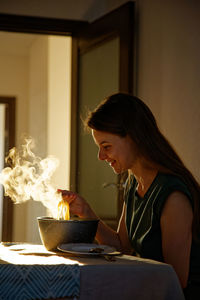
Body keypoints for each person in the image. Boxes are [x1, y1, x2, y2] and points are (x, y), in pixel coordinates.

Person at [59, 93, 200, 299]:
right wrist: (86, 212)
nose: (101, 156)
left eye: (106, 147)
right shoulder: (134, 183)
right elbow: (121, 246)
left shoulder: (173, 196)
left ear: (134, 138)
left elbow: (174, 282)